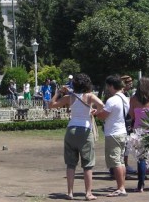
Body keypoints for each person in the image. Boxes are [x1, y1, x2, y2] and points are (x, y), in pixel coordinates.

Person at [49, 73, 104, 201]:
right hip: (85, 130)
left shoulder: (69, 97)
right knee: (88, 164)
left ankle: (70, 192)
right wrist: (96, 111)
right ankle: (88, 193)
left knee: (70, 164)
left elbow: (52, 104)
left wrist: (58, 92)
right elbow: (101, 105)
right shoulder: (89, 96)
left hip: (71, 130)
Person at [96, 74, 130, 197]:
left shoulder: (112, 100)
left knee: (115, 161)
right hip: (122, 132)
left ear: (111, 86)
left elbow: (103, 115)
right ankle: (122, 186)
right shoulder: (125, 98)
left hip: (113, 133)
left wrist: (96, 113)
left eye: (108, 86)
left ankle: (120, 188)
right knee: (120, 161)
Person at [128, 77, 149, 192]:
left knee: (141, 158)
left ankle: (140, 185)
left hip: (139, 132)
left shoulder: (133, 99)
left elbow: (132, 115)